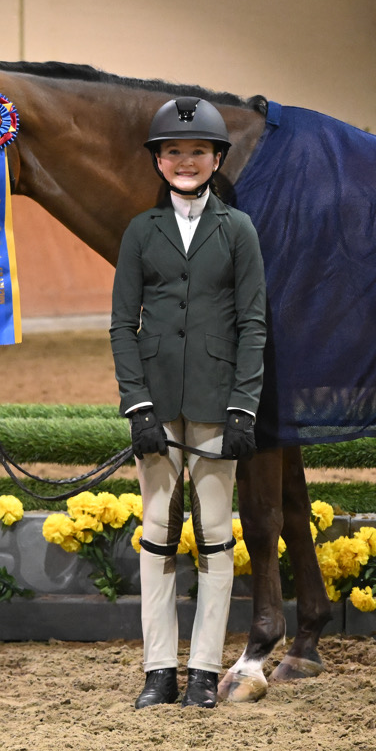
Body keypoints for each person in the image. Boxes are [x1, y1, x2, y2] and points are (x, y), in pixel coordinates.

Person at [110, 97, 267, 709]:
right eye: (173, 151)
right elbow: (123, 325)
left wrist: (243, 407)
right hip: (156, 403)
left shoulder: (238, 229)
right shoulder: (139, 231)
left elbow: (253, 324)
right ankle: (158, 670)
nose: (184, 161)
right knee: (156, 532)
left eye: (197, 151)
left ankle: (202, 669)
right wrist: (137, 405)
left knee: (215, 533)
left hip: (216, 401)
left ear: (216, 159)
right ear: (158, 160)